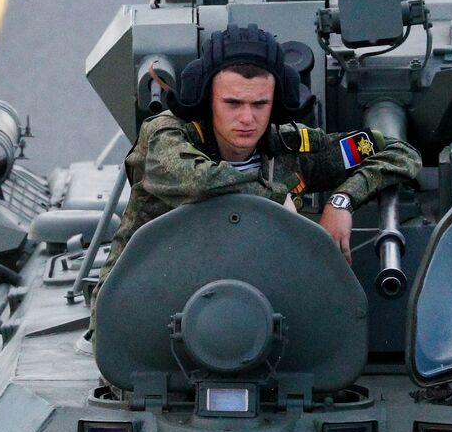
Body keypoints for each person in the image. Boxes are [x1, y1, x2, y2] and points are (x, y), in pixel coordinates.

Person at [94, 23, 422, 298]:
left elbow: (398, 152)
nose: (247, 118)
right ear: (208, 100)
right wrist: (275, 197)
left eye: (260, 104)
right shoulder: (166, 136)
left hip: (253, 309)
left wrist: (341, 200)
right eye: (233, 103)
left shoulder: (290, 148)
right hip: (139, 302)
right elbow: (198, 179)